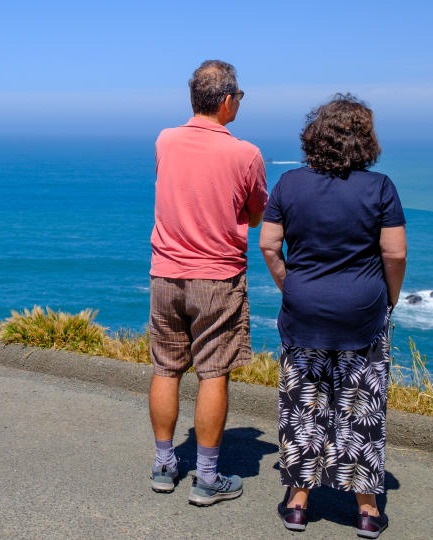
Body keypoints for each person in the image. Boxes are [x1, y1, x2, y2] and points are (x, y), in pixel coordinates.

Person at [259, 94, 406, 538]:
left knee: (304, 408)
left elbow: (268, 244)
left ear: (314, 137)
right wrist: (389, 298)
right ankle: (365, 511)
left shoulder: (288, 185)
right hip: (361, 314)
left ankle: (299, 504)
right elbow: (394, 253)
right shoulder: (379, 188)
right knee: (360, 408)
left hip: (303, 313)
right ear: (366, 141)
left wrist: (292, 286)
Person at [148, 60, 268, 506]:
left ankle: (164, 464)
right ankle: (207, 477)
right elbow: (257, 215)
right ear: (227, 100)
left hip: (165, 272)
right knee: (213, 372)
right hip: (217, 277)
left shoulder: (165, 140)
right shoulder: (246, 153)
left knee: (166, 367)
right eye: (239, 97)